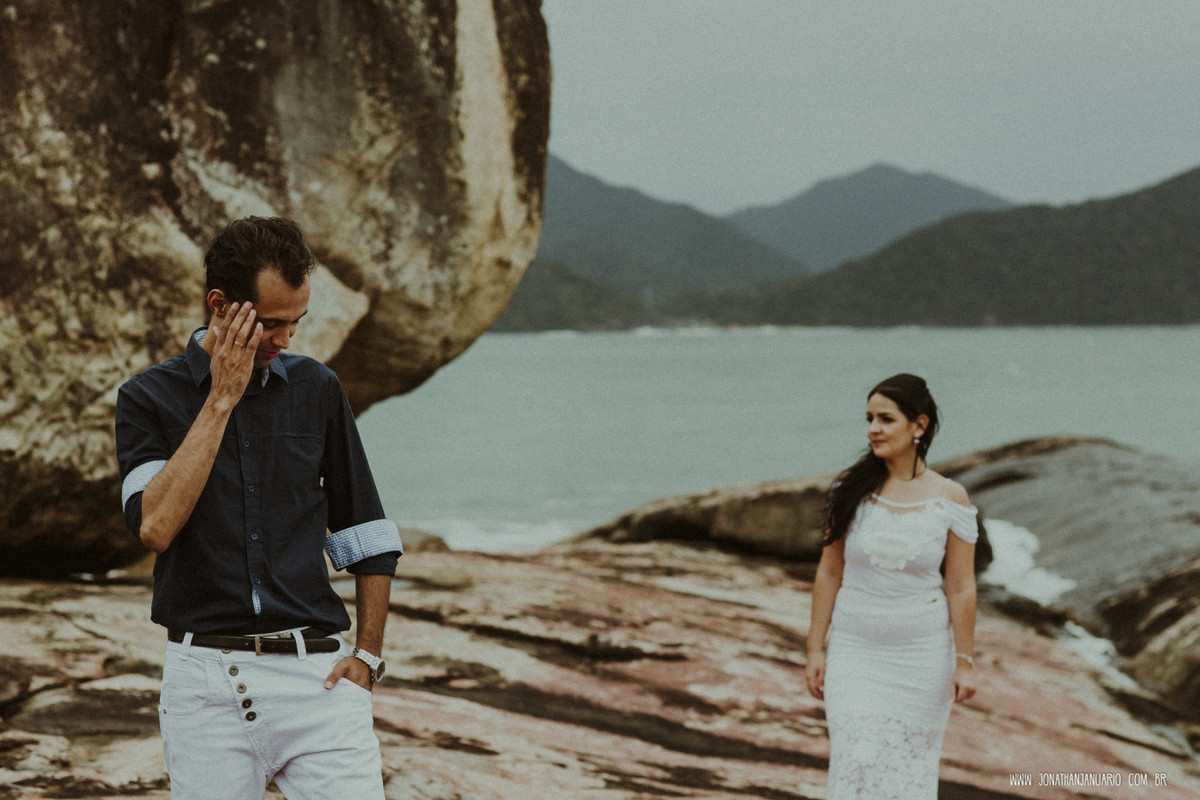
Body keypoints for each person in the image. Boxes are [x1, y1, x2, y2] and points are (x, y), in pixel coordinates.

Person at [114, 216, 404, 799]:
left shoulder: (317, 389)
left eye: (296, 323)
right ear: (220, 305)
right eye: (271, 324)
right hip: (204, 689)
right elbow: (155, 527)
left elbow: (365, 530)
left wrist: (367, 657)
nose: (286, 341)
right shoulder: (146, 398)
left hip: (317, 681)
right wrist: (221, 399)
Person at [805, 373, 977, 799]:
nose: (873, 429)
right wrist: (814, 647)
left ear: (919, 426)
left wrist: (965, 660)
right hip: (854, 652)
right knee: (857, 759)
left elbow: (960, 587)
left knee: (906, 774)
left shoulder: (950, 499)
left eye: (885, 418)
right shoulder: (850, 491)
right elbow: (829, 571)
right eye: (869, 419)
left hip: (921, 659)